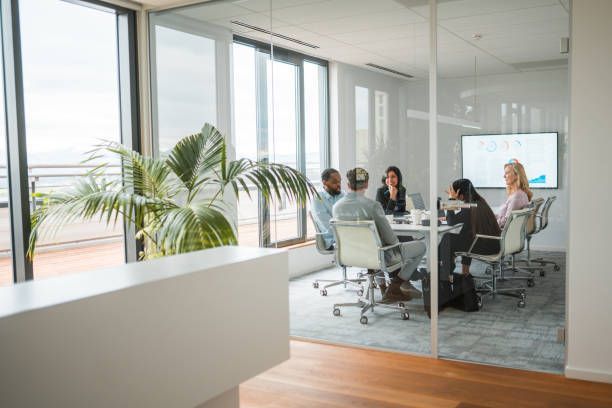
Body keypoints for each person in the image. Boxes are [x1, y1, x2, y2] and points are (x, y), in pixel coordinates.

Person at [333, 167, 426, 303]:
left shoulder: (336, 207)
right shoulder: (372, 206)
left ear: (347, 185)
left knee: (373, 248)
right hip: (376, 255)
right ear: (366, 184)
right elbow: (391, 239)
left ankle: (384, 289)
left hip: (350, 255)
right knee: (421, 246)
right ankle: (394, 288)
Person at [443, 178, 501, 276]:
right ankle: (464, 273)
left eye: (453, 192)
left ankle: (446, 275)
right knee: (464, 234)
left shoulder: (470, 206)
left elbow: (451, 222)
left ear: (459, 193)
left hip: (484, 246)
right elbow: (463, 222)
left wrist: (451, 200)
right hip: (492, 244)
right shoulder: (479, 201)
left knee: (447, 239)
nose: (452, 194)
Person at [311, 168, 345, 250]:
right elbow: (327, 225)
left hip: (346, 235)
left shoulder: (343, 195)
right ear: (324, 182)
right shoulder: (318, 198)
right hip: (332, 240)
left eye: (339, 181)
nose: (338, 184)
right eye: (334, 182)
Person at [496, 160, 533, 228]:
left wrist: (489, 221)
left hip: (499, 232)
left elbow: (505, 223)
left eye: (507, 173)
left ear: (516, 175)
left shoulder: (517, 197)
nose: (504, 176)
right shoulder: (519, 194)